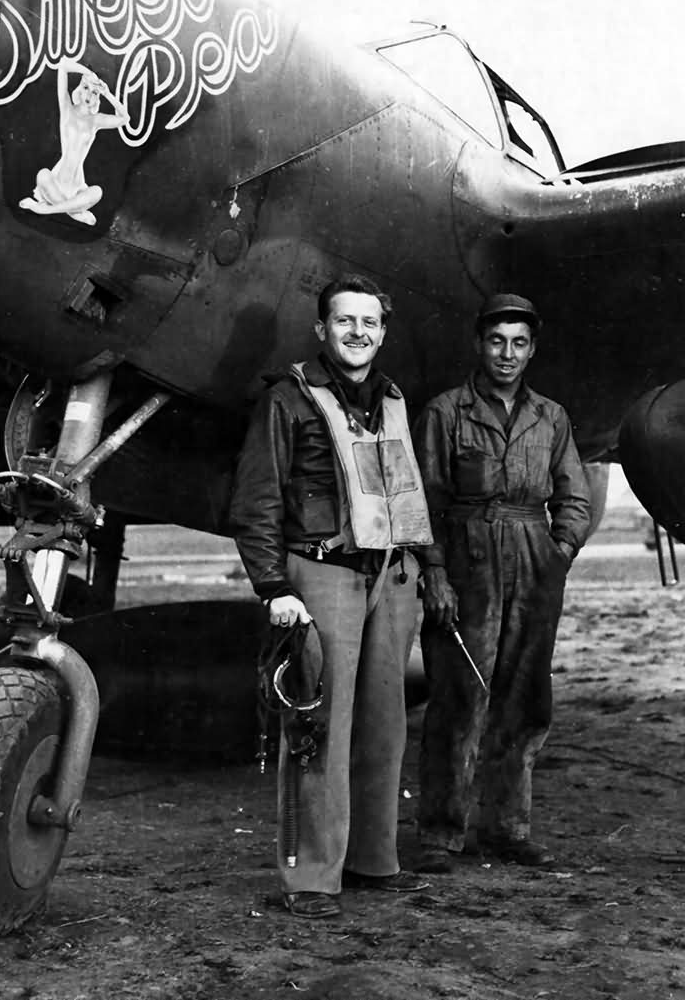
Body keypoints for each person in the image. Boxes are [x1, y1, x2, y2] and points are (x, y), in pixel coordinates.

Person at [229, 273, 433, 918]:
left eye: (370, 323)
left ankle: (375, 860)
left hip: (393, 577)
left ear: (383, 332)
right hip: (321, 578)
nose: (358, 333)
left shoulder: (395, 401)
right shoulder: (287, 400)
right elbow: (256, 503)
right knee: (318, 727)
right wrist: (272, 588)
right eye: (344, 322)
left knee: (384, 726)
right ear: (322, 330)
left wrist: (423, 573)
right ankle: (313, 877)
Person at [413, 293, 591, 873]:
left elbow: (575, 496)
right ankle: (441, 833)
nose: (507, 354)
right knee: (459, 696)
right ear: (478, 344)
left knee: (525, 698)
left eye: (518, 343)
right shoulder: (445, 412)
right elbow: (424, 503)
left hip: (533, 559)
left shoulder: (552, 417)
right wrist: (435, 573)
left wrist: (557, 552)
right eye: (496, 341)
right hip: (467, 559)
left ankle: (506, 829)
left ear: (532, 349)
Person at [20, 60, 129, 225]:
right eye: (86, 88)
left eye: (94, 92)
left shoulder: (95, 120)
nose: (88, 95)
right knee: (42, 175)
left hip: (77, 185)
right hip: (55, 182)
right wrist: (88, 73)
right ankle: (74, 213)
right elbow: (63, 65)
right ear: (80, 89)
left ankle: (45, 208)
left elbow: (125, 118)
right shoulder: (67, 109)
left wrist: (107, 93)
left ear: (97, 97)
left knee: (97, 192)